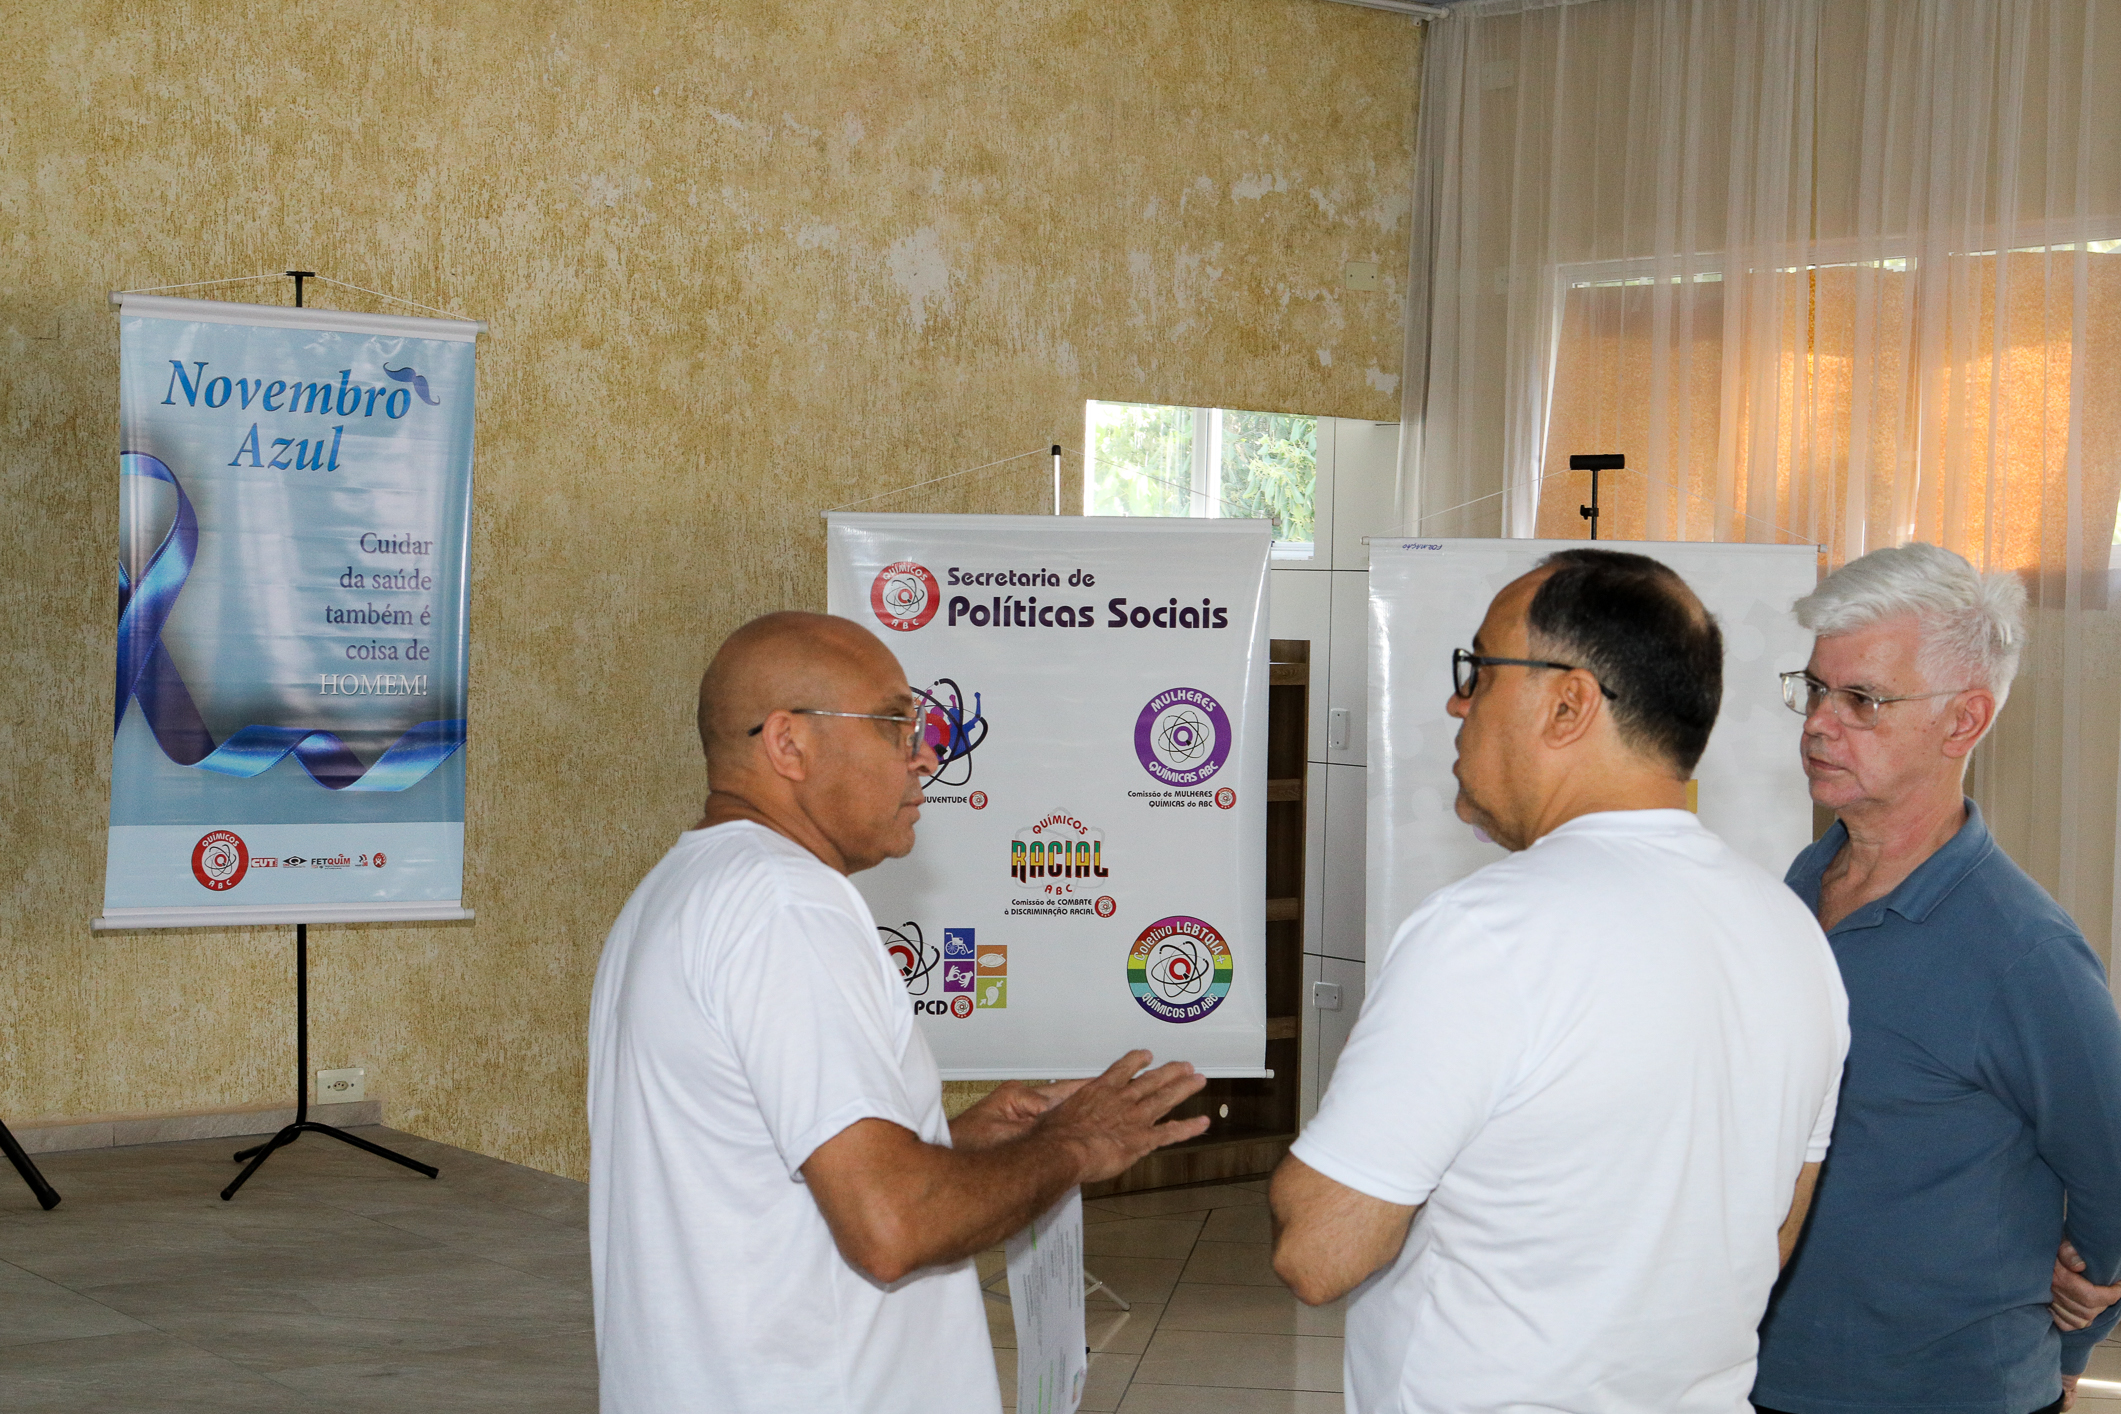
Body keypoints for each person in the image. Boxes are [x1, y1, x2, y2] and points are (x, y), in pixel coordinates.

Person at [1269, 548, 1850, 1414]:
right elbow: (1766, 1240)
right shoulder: (1791, 935)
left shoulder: (1488, 932)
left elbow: (1319, 1250)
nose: (1456, 703)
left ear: (1568, 702)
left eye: (1477, 670)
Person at [588, 610, 1208, 1413]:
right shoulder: (786, 905)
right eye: (893, 725)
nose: (924, 756)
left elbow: (764, 1176)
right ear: (787, 744)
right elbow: (890, 1229)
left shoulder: (681, 888)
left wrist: (955, 1148)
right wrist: (1071, 1145)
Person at [1753, 543, 2121, 1414]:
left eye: (1862, 701)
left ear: (1961, 722)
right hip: (1766, 1373)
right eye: (1813, 689)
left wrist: (2071, 1334)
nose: (1816, 722)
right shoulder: (1806, 877)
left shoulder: (2021, 949)